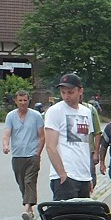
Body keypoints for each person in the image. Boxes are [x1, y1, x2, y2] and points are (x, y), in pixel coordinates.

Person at [44, 72, 94, 201]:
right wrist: (62, 174)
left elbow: (86, 145)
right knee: (65, 219)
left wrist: (89, 176)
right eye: (63, 92)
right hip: (65, 176)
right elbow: (50, 146)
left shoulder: (86, 112)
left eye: (70, 92)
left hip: (83, 175)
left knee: (83, 218)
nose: (66, 96)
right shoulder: (55, 111)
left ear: (80, 91)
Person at [2, 89, 45, 220]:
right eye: (20, 100)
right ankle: (30, 209)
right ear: (16, 101)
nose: (23, 103)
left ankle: (26, 209)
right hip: (17, 155)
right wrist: (6, 145)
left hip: (32, 154)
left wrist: (38, 153)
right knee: (22, 183)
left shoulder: (36, 116)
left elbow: (42, 136)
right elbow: (7, 132)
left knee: (29, 181)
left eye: (25, 100)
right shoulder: (11, 116)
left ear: (28, 101)